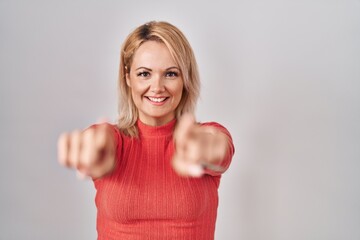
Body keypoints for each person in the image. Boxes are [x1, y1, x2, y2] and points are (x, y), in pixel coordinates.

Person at [57, 21, 235, 240]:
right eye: (144, 74)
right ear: (127, 77)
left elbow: (220, 151)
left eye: (171, 74)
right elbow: (96, 145)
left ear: (185, 80)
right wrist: (90, 151)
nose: (157, 86)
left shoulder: (206, 135)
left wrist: (205, 150)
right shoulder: (113, 140)